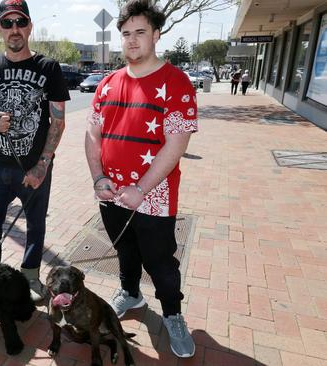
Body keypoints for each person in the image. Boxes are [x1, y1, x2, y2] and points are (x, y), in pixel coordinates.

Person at [84, 0, 197, 358]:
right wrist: (99, 178)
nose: (132, 40)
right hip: (112, 193)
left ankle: (173, 315)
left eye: (140, 33)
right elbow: (91, 136)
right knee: (125, 250)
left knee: (161, 262)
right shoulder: (107, 83)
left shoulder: (176, 82)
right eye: (126, 34)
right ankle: (130, 293)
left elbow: (177, 144)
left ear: (156, 35)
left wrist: (141, 189)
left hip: (154, 197)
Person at [0, 0, 70, 306]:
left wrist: (43, 164)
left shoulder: (48, 68)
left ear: (30, 26)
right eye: (7, 23)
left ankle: (31, 276)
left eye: (20, 22)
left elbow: (57, 120)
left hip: (32, 168)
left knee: (35, 226)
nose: (14, 29)